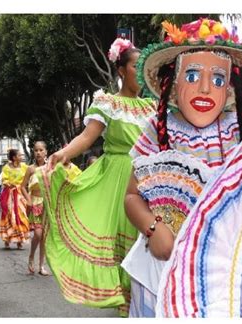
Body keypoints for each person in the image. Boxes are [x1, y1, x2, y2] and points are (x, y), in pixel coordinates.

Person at [121, 18, 242, 318]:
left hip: (222, 278)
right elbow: (131, 197)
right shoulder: (158, 130)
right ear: (173, 82)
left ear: (230, 88)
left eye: (218, 79)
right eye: (192, 75)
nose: (206, 88)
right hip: (159, 273)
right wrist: (152, 227)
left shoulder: (241, 132)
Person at [41, 37, 156, 316]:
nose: (140, 73)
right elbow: (86, 136)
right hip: (116, 184)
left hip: (150, 182)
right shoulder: (107, 103)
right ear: (120, 70)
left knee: (151, 247)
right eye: (134, 66)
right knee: (125, 252)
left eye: (144, 68)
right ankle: (128, 308)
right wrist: (63, 154)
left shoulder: (152, 107)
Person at [20, 141, 52, 276]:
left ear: (46, 152)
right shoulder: (30, 169)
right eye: (36, 150)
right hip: (35, 203)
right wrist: (28, 199)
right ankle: (31, 256)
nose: (38, 152)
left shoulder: (51, 168)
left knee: (44, 236)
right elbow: (22, 186)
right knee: (38, 234)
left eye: (41, 150)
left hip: (48, 204)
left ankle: (41, 266)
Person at [0, 149, 29, 249]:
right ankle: (7, 240)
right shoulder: (6, 168)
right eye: (19, 155)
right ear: (14, 157)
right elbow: (4, 179)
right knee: (9, 215)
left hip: (20, 194)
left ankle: (20, 240)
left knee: (20, 215)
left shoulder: (25, 167)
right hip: (9, 194)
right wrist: (9, 184)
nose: (21, 157)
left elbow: (31, 174)